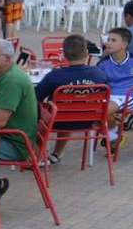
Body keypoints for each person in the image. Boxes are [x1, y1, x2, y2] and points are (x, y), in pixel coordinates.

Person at [32, 33, 111, 164]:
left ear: (64, 55)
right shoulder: (99, 74)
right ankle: (56, 153)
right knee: (68, 107)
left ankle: (38, 153)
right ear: (86, 53)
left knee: (37, 109)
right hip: (89, 120)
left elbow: (35, 97)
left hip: (57, 121)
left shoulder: (55, 75)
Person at [0, 38, 39, 164]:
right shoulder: (5, 74)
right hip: (10, 138)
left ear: (6, 58)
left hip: (14, 145)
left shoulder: (11, 80)